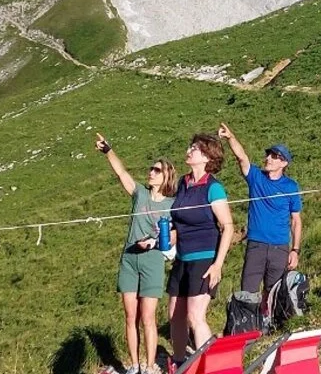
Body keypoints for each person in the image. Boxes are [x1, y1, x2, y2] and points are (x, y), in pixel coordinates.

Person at [95, 133, 177, 374]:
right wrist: (108, 151)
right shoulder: (140, 193)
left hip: (152, 261)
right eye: (151, 169)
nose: (150, 172)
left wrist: (153, 243)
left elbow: (173, 234)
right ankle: (134, 365)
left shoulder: (172, 204)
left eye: (156, 170)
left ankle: (150, 366)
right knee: (130, 316)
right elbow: (122, 174)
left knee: (148, 317)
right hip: (129, 260)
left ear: (166, 177)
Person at [167, 133, 234, 367]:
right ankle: (180, 363)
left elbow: (227, 227)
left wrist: (218, 264)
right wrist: (170, 236)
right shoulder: (183, 184)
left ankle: (214, 366)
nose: (189, 150)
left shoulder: (213, 188)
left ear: (206, 157)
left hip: (204, 258)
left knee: (196, 316)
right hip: (181, 258)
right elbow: (179, 220)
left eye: (194, 148)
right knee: (175, 316)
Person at [217, 123, 303, 301]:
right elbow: (242, 158)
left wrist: (295, 250)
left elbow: (296, 220)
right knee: (248, 293)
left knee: (274, 293)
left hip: (280, 247)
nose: (269, 158)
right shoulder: (256, 177)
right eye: (269, 154)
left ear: (284, 163)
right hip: (256, 244)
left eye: (275, 156)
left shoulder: (291, 186)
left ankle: (270, 326)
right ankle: (249, 326)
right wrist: (231, 138)